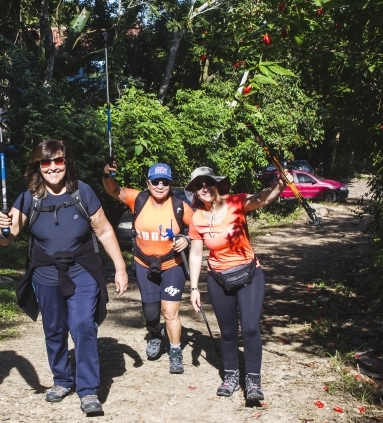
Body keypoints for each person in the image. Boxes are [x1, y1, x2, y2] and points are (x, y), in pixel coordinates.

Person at [0, 140, 128, 415]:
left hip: (82, 269)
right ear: (38, 166)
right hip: (45, 272)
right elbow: (6, 241)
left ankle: (89, 390)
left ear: (67, 163)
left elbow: (103, 231)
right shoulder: (28, 197)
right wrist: (1, 228)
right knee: (54, 329)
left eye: (59, 161)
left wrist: (120, 267)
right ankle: (62, 380)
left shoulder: (83, 192)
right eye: (47, 162)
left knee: (82, 325)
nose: (53, 167)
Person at [185, 166, 285, 402]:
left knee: (250, 328)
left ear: (217, 184)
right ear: (195, 192)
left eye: (207, 183)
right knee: (228, 332)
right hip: (218, 279)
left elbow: (261, 199)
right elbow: (196, 253)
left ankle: (253, 380)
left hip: (249, 274)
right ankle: (230, 376)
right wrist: (193, 287)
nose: (203, 189)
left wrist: (280, 185)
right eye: (198, 186)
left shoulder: (236, 203)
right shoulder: (197, 218)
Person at [102, 161, 194, 373]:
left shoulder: (180, 206)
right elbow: (112, 189)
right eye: (155, 181)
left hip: (173, 265)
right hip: (144, 264)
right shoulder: (139, 199)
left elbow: (198, 226)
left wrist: (187, 239)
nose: (160, 186)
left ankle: (175, 351)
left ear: (170, 184)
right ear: (148, 183)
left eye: (165, 182)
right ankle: (154, 334)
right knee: (151, 312)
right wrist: (107, 174)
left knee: (170, 312)